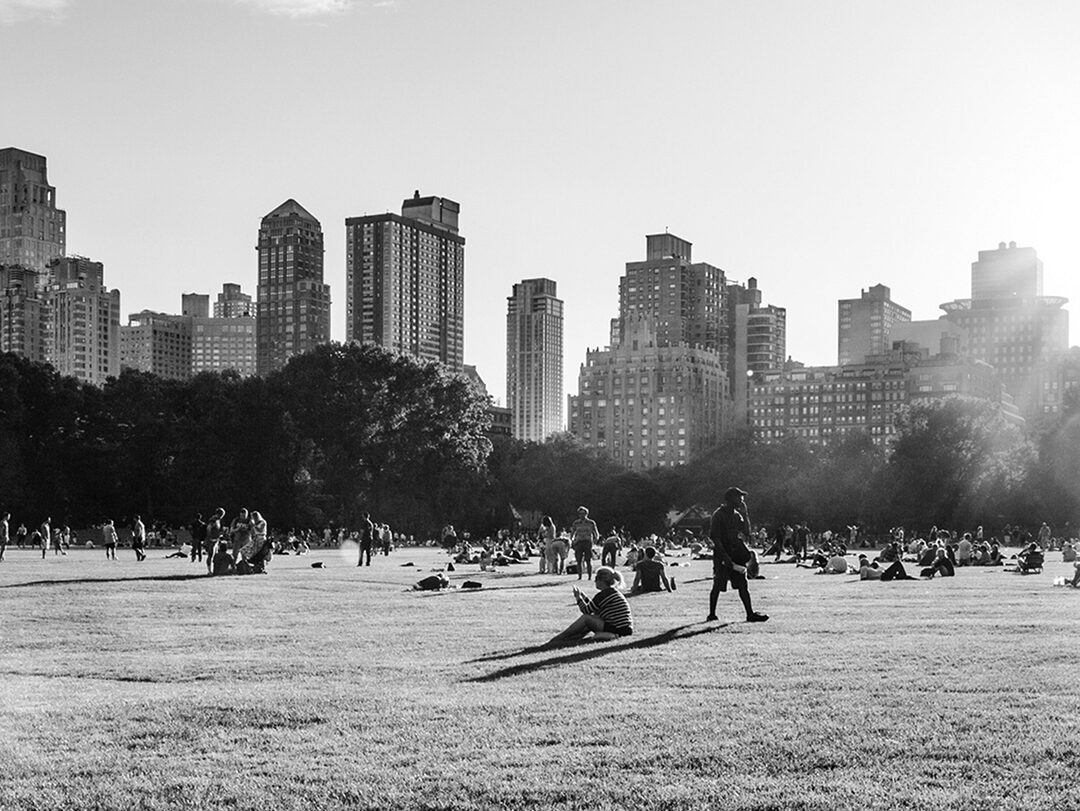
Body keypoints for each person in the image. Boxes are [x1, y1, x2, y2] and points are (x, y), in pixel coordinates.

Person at [707, 487, 768, 623]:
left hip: (736, 554)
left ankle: (750, 614)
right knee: (718, 584)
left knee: (743, 584)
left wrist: (745, 514)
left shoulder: (737, 515)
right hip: (723, 554)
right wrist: (724, 557)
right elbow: (715, 538)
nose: (742, 499)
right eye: (739, 497)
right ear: (730, 499)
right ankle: (711, 614)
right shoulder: (718, 515)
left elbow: (746, 532)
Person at [548, 566, 632, 644]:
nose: (594, 581)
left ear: (601, 580)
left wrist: (578, 598)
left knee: (586, 618)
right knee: (591, 620)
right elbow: (595, 607)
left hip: (617, 629)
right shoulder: (610, 592)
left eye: (596, 578)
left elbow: (586, 611)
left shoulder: (603, 594)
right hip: (624, 628)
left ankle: (559, 638)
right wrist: (585, 598)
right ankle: (571, 638)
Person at [569, 506, 599, 581]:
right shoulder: (576, 523)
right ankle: (580, 576)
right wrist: (571, 540)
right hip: (578, 542)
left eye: (583, 513)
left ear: (587, 514)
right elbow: (572, 532)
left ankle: (589, 576)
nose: (582, 515)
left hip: (587, 542)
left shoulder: (591, 523)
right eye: (580, 513)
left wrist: (596, 539)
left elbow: (596, 533)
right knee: (578, 560)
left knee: (588, 560)